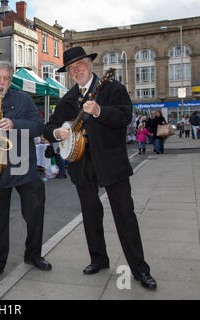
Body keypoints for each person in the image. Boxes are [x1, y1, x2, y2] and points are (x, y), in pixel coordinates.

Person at [43, 46, 157, 290]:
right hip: (81, 165)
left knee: (125, 215)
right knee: (90, 214)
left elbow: (125, 116)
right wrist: (57, 132)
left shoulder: (112, 88)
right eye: (71, 68)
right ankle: (98, 259)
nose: (76, 70)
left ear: (89, 64)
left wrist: (99, 111)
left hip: (111, 162)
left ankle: (140, 269)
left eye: (79, 65)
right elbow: (49, 127)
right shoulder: (68, 98)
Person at [0, 61, 52, 281]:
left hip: (24, 169)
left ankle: (33, 255)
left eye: (6, 78)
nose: (2, 82)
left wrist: (15, 124)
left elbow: (38, 126)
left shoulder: (23, 99)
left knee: (35, 214)